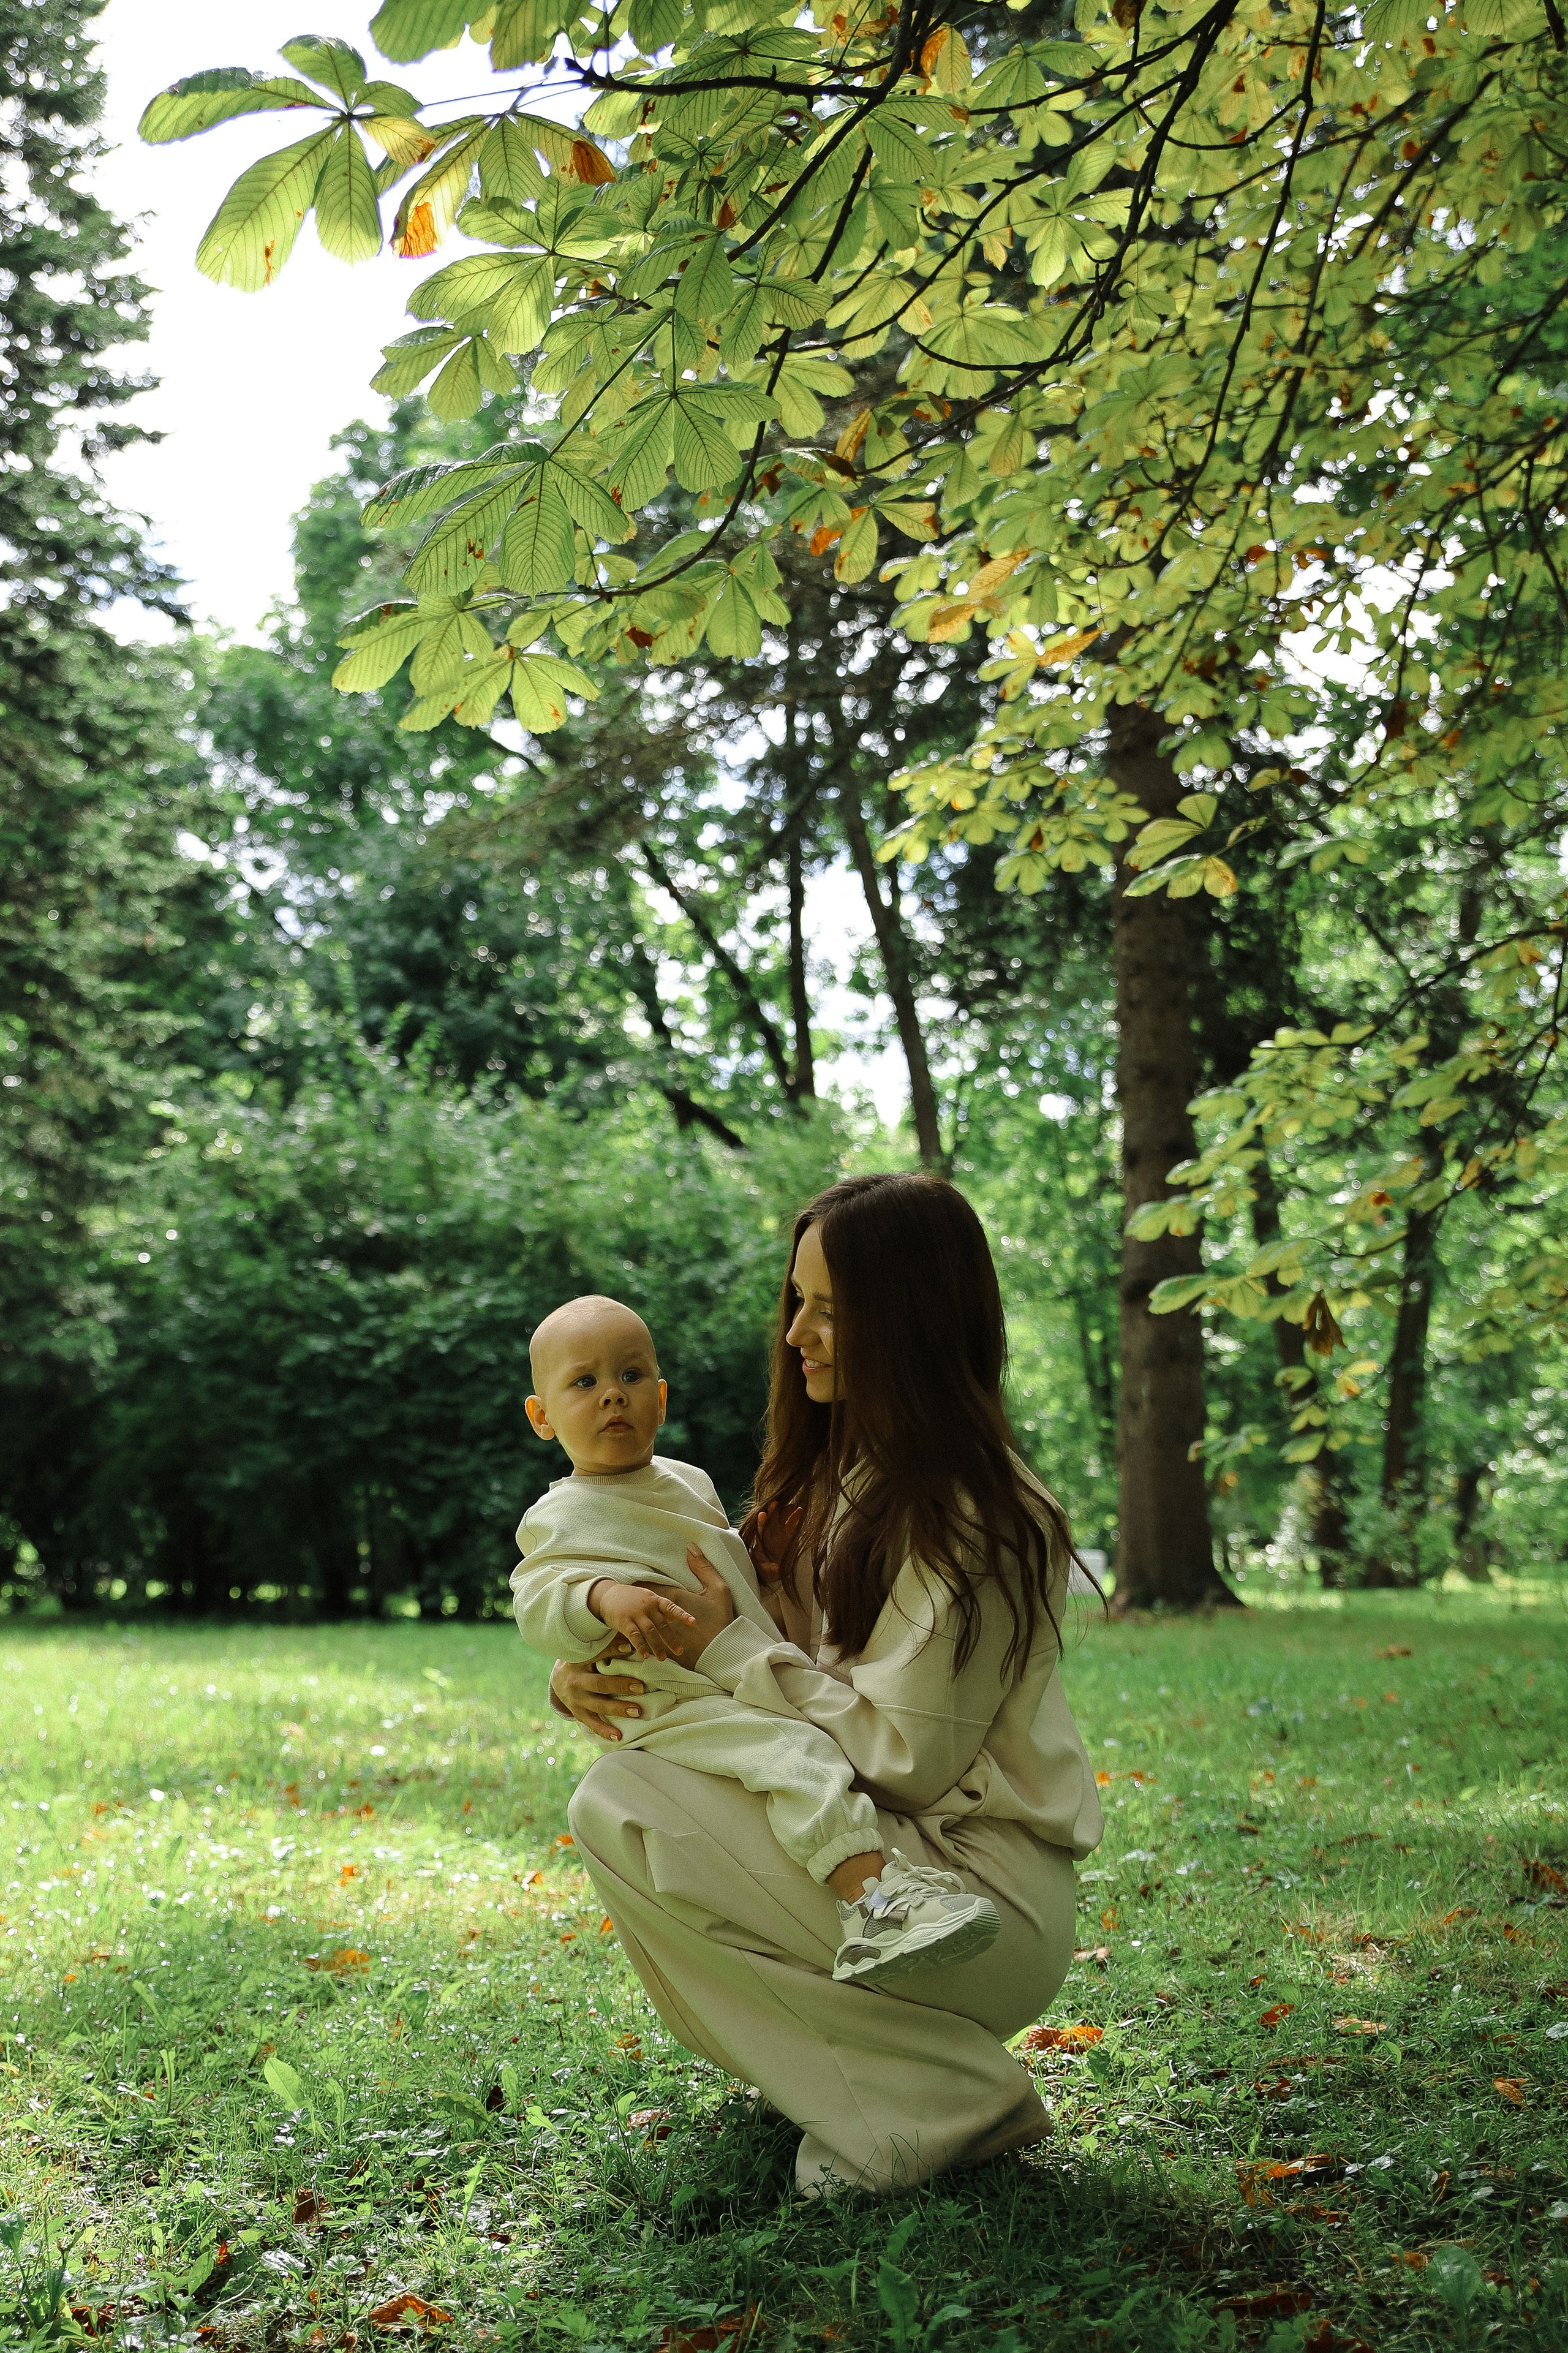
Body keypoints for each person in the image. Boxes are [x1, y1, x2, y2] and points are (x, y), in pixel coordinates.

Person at [548, 1174, 1104, 2197]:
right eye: (795, 1301)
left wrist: (723, 1653)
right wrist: (584, 1666)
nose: (798, 1333)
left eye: (833, 1312)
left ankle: (946, 2102)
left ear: (913, 1323)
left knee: (623, 1806)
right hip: (884, 1855)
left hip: (971, 1898)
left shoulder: (979, 1513)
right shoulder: (839, 1476)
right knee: (622, 1801)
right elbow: (728, 1628)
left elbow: (908, 1757)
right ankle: (878, 2082)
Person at [513, 1293, 1002, 1988]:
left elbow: (714, 1575)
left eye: (629, 1376)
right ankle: (875, 1901)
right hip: (669, 1696)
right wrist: (600, 1598)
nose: (611, 1397)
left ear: (660, 1397)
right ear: (541, 1417)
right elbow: (537, 1599)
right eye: (583, 1382)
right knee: (793, 1755)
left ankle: (876, 1890)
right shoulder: (560, 1513)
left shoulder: (689, 1482)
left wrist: (757, 1566)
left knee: (793, 1756)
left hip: (725, 1679)